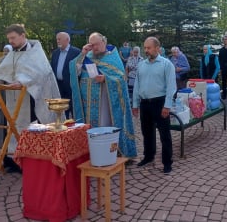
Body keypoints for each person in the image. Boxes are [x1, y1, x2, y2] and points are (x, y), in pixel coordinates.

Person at [0, 24, 60, 173]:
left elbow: (40, 73)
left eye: (13, 38)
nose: (11, 41)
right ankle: (13, 161)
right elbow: (4, 71)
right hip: (12, 97)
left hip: (30, 98)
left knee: (28, 129)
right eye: (9, 38)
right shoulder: (13, 53)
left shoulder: (36, 53)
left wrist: (23, 81)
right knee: (11, 127)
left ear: (23, 36)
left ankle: (30, 162)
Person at [70, 32, 137, 158]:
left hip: (107, 103)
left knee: (106, 126)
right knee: (92, 129)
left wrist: (106, 79)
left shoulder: (113, 56)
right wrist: (82, 53)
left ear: (104, 42)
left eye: (96, 44)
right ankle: (93, 153)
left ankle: (111, 153)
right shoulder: (87, 56)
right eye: (91, 45)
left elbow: (121, 78)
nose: (94, 48)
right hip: (88, 104)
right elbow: (74, 71)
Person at [132, 37, 176, 174]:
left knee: (164, 135)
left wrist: (167, 106)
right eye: (145, 48)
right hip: (145, 103)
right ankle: (148, 156)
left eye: (149, 48)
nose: (146, 50)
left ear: (157, 48)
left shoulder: (166, 64)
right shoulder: (141, 65)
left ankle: (167, 163)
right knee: (147, 132)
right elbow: (136, 86)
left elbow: (171, 87)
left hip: (160, 103)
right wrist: (135, 104)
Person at [50, 32, 81, 118]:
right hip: (59, 85)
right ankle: (64, 126)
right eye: (57, 39)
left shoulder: (76, 52)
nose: (57, 41)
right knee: (62, 110)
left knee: (73, 109)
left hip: (71, 85)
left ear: (67, 40)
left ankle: (76, 127)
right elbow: (52, 68)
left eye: (59, 39)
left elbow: (79, 69)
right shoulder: (55, 53)